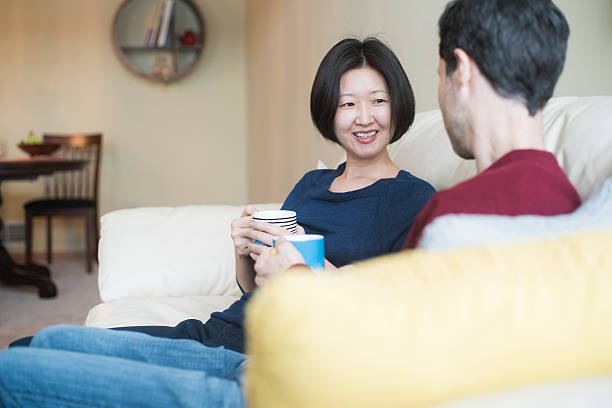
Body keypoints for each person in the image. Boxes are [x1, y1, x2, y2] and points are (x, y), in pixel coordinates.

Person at [0, 37, 435, 407]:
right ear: (329, 111)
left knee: (14, 371)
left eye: (378, 101)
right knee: (39, 343)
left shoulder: (413, 199)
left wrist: (308, 270)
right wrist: (243, 249)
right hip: (217, 331)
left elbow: (396, 319)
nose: (364, 117)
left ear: (397, 107)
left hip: (263, 357)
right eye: (348, 103)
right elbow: (253, 287)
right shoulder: (312, 184)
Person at [255, 0, 580, 278]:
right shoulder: (572, 205)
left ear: (462, 71)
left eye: (441, 76)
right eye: (348, 103)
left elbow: (388, 335)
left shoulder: (451, 218)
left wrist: (299, 273)